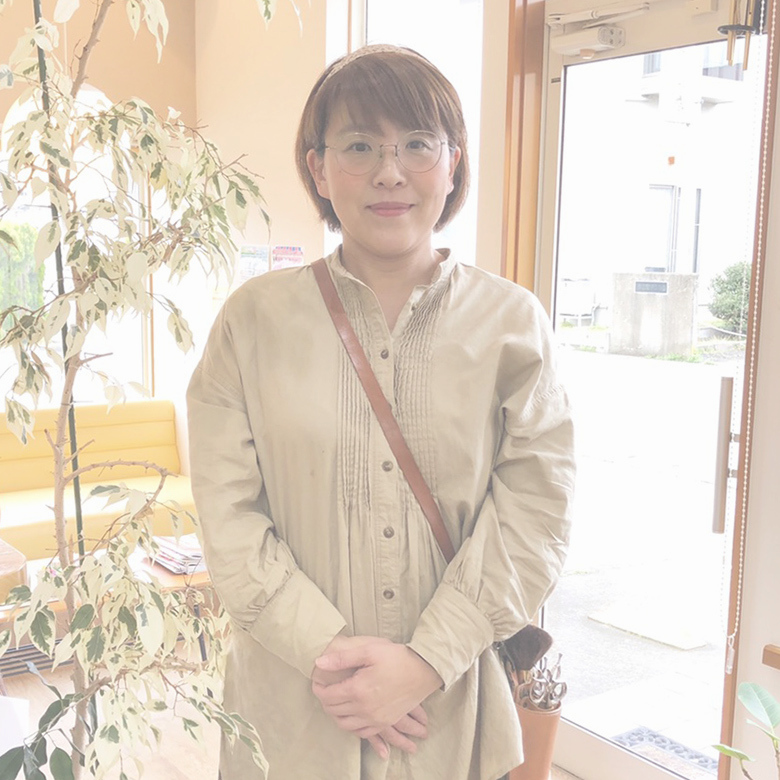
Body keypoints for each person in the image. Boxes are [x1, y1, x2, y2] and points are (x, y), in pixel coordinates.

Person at [187, 44, 575, 780]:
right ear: (318, 168)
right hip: (295, 711)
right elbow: (227, 517)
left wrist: (425, 661)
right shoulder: (251, 322)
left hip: (449, 710)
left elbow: (536, 514)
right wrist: (337, 663)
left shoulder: (512, 325)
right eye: (360, 145)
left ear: (452, 164)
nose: (390, 173)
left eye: (418, 145)